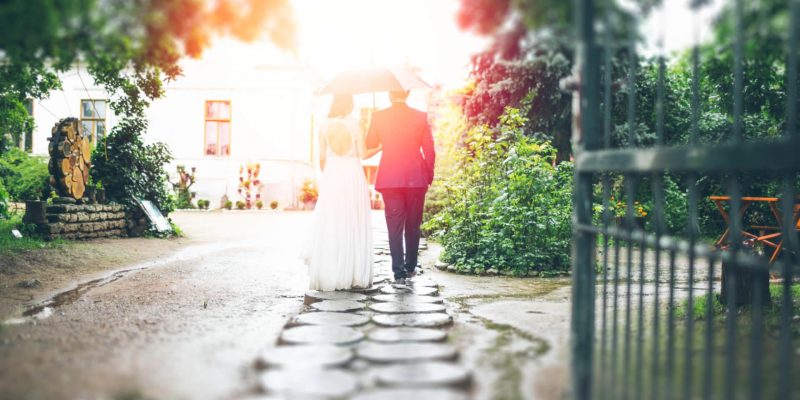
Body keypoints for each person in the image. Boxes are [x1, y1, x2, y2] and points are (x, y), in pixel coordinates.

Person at [304, 94, 381, 291]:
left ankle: (330, 272)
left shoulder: (323, 125)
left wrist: (330, 174)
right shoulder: (357, 124)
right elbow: (363, 155)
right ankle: (354, 274)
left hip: (332, 175)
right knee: (352, 219)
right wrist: (380, 146)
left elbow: (321, 158)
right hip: (352, 174)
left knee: (332, 221)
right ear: (350, 106)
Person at [366, 90, 435, 284]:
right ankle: (411, 267)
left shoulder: (378, 116)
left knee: (394, 226)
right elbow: (429, 149)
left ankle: (398, 271)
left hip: (390, 178)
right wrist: (428, 175)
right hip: (416, 178)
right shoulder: (420, 117)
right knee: (413, 225)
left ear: (389, 95)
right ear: (408, 93)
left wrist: (375, 122)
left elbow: (370, 143)